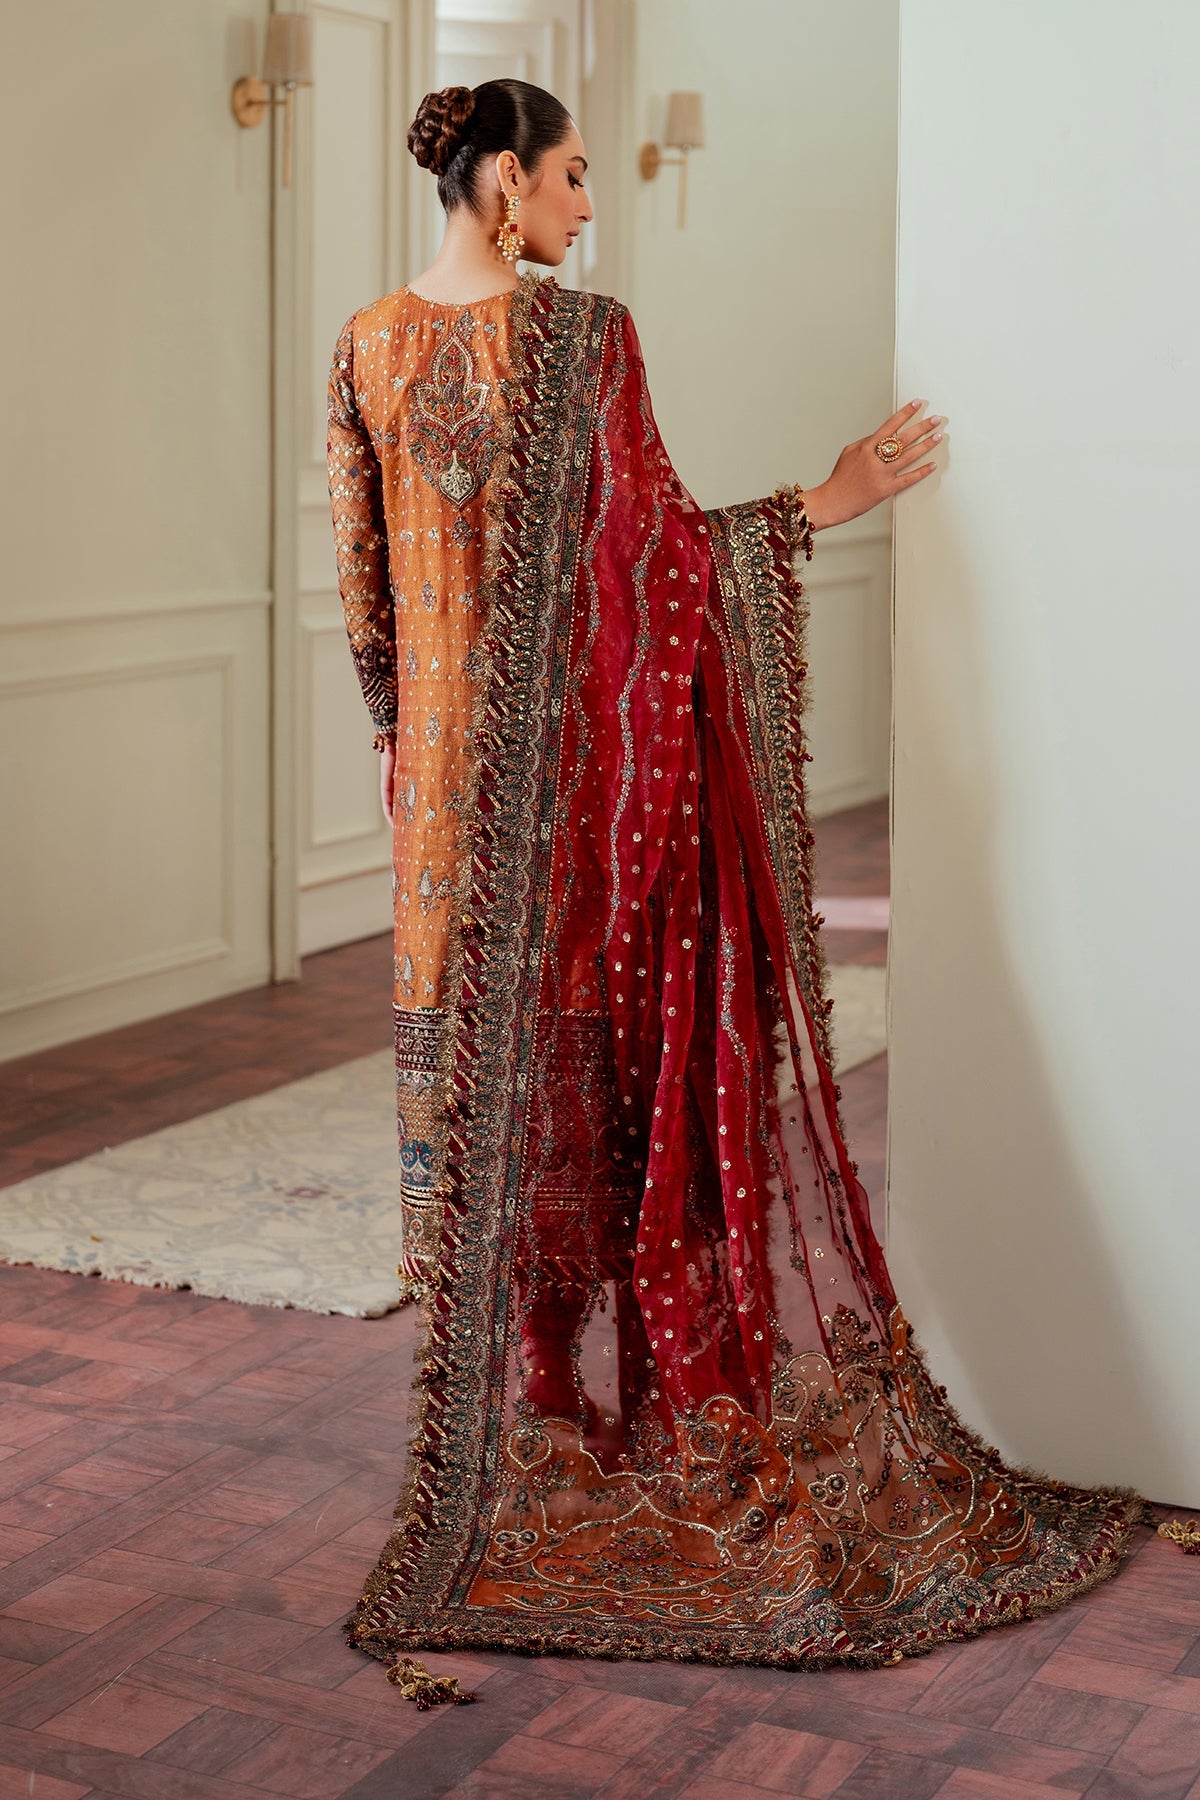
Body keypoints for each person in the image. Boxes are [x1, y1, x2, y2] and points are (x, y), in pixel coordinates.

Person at [327, 78, 1145, 1703]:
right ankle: (611, 1431)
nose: (588, 205)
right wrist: (826, 503)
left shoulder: (363, 344)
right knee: (597, 1089)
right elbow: (658, 560)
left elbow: (368, 595)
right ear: (504, 181)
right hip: (576, 805)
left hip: (441, 822)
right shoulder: (584, 341)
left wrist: (403, 745)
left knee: (487, 1113)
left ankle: (529, 1442)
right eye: (571, 176)